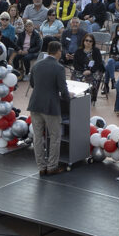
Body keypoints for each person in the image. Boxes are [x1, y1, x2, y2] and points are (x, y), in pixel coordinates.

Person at [26, 40, 71, 177]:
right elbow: (63, 90)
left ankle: (41, 166)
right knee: (55, 137)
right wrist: (69, 98)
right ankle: (52, 166)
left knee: (38, 137)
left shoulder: (37, 65)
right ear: (58, 51)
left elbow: (33, 84)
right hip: (50, 107)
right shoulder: (59, 68)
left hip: (35, 104)